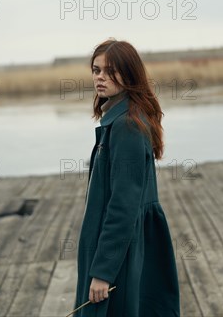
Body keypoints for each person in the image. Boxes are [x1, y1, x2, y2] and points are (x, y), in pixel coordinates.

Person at [73, 38, 181, 316]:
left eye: (111, 71)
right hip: (126, 247)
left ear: (129, 73)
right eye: (96, 70)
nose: (100, 77)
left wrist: (103, 272)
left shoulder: (127, 126)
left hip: (122, 253)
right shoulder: (120, 119)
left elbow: (123, 205)